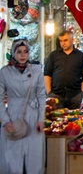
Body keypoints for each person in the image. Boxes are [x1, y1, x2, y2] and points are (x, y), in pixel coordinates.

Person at [0, 39, 46, 173]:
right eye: (19, 52)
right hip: (13, 116)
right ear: (13, 53)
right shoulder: (5, 72)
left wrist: (40, 119)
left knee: (33, 160)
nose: (22, 55)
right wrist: (5, 121)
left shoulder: (36, 71)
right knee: (13, 159)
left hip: (32, 116)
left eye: (25, 51)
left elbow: (41, 96)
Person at [44, 30, 83, 109]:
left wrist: (80, 94)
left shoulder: (81, 56)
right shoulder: (53, 55)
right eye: (61, 41)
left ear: (72, 40)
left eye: (65, 40)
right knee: (56, 120)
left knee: (74, 120)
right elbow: (47, 74)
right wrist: (49, 93)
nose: (63, 43)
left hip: (74, 96)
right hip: (56, 96)